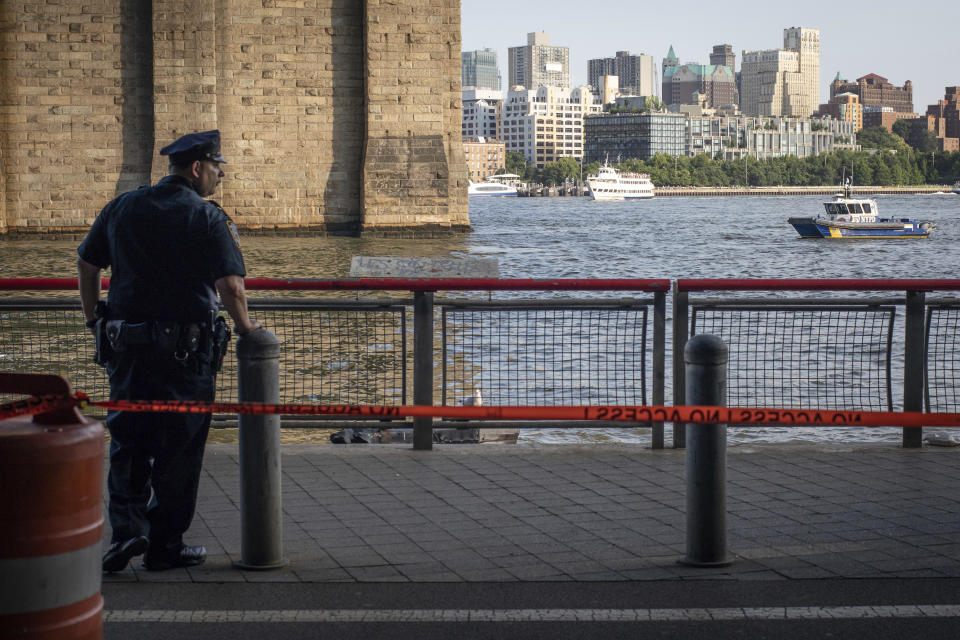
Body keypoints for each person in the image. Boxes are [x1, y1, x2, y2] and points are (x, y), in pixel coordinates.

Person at [78, 130, 262, 572]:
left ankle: (126, 534)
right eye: (217, 168)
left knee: (128, 441)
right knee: (180, 447)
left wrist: (93, 321)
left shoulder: (123, 206)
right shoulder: (207, 216)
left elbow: (87, 263)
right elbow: (231, 287)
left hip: (127, 350)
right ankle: (165, 546)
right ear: (197, 168)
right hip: (185, 356)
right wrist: (247, 328)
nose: (219, 177)